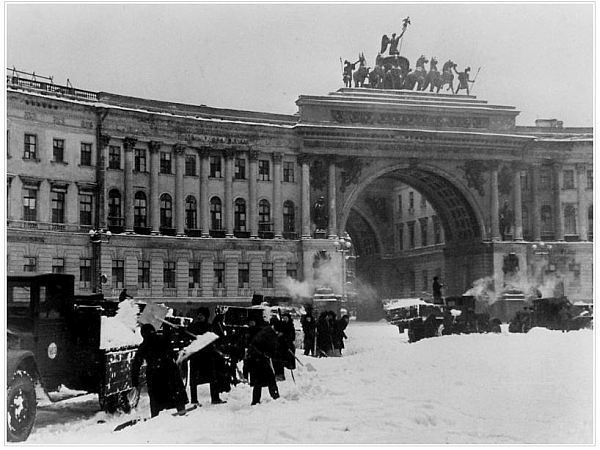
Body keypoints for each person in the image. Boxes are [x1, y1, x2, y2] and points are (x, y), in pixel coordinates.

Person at [131, 323, 188, 418]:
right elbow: (173, 354)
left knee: (156, 400)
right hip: (170, 372)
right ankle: (181, 411)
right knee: (176, 395)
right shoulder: (163, 340)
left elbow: (136, 365)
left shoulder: (144, 346)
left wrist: (135, 382)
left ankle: (155, 417)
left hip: (155, 375)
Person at [187, 307, 227, 405]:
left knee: (213, 378)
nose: (199, 316)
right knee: (194, 380)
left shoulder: (210, 327)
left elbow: (216, 338)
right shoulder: (192, 327)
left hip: (208, 356)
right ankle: (194, 400)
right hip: (196, 355)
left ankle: (215, 398)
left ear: (206, 316)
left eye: (202, 315)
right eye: (198, 314)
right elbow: (187, 336)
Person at [246, 318, 281, 405]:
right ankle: (275, 397)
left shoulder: (266, 331)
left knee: (260, 380)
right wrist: (267, 354)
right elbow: (269, 347)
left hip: (258, 358)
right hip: (258, 358)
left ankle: (256, 400)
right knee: (269, 378)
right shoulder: (268, 333)